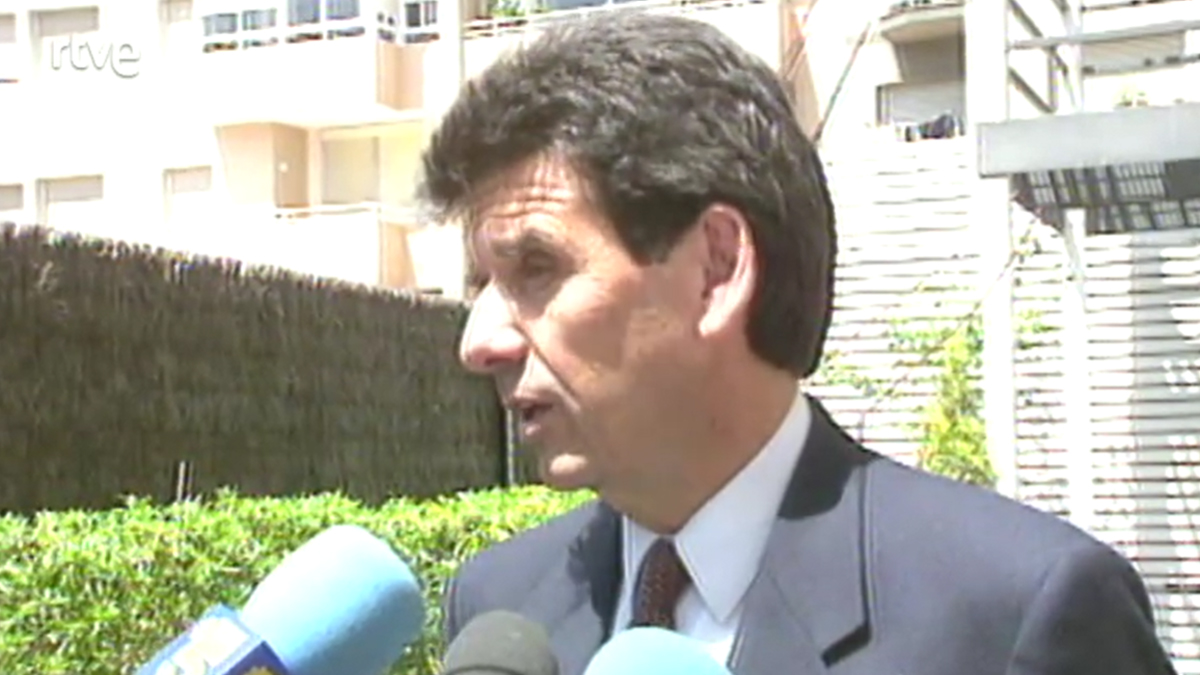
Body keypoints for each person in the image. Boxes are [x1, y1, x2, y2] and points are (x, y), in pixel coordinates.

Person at [418, 12, 1177, 675]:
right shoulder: (498, 610)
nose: (479, 342)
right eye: (481, 282)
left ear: (716, 269)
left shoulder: (1017, 614)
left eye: (537, 268)